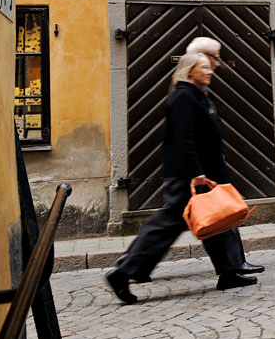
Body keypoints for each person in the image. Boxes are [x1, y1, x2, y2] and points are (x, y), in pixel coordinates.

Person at [105, 51, 263, 304]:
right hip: (190, 175)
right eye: (203, 67)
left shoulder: (198, 96)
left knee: (216, 221)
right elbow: (184, 139)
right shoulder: (183, 98)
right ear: (190, 71)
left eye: (210, 67)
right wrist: (197, 172)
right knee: (169, 224)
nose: (210, 71)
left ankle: (229, 272)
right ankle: (123, 273)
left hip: (203, 173)